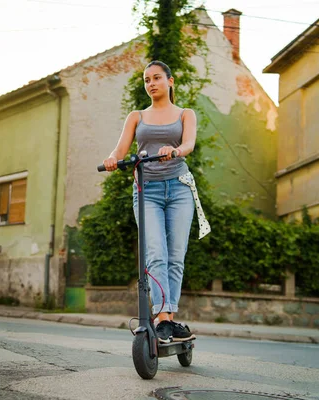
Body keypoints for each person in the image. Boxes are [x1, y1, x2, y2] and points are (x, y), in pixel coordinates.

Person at [103, 60, 210, 343]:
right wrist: (113, 159)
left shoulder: (186, 114)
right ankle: (162, 316)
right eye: (146, 80)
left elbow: (188, 144)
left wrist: (174, 151)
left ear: (170, 81)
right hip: (146, 189)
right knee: (155, 253)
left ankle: (168, 318)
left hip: (179, 188)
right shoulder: (136, 116)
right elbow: (121, 148)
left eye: (157, 78)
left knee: (175, 255)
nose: (151, 83)